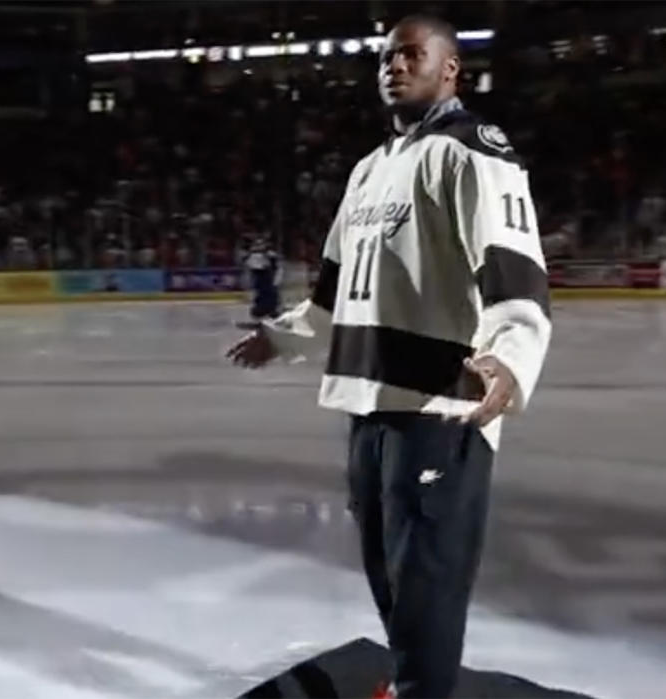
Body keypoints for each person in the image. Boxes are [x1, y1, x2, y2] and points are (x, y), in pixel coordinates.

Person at [226, 14, 552, 699]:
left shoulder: (473, 150)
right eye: (385, 57)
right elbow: (332, 294)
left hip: (438, 410)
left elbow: (515, 271)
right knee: (390, 577)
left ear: (450, 68)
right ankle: (411, 685)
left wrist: (511, 357)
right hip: (367, 410)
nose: (393, 66)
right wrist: (283, 337)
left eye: (411, 54)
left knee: (429, 590)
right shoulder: (369, 170)